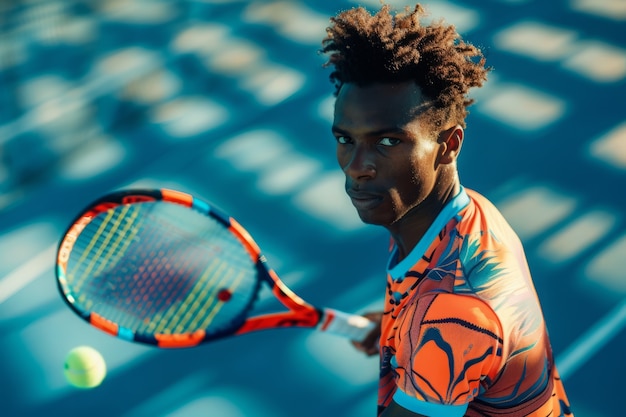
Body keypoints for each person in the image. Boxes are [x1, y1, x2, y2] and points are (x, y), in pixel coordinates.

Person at [320, 4, 573, 417]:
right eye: (346, 139)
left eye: (388, 142)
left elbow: (450, 319)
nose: (356, 166)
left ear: (449, 144)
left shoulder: (450, 313)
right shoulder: (465, 214)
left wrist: (421, 337)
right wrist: (397, 330)